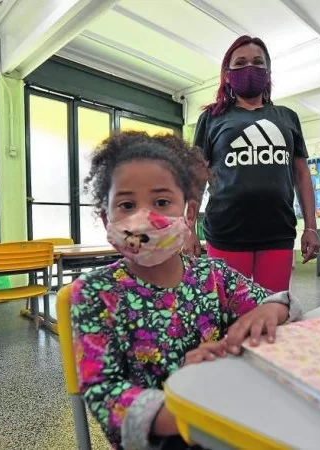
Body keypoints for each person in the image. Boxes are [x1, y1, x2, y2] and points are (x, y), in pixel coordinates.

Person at [71, 131, 302, 450]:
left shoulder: (214, 275)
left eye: (162, 202)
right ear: (105, 217)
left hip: (228, 412)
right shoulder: (94, 293)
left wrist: (271, 310)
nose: (144, 218)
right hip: (166, 432)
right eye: (126, 204)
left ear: (189, 214)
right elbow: (102, 392)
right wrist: (187, 411)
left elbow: (281, 305)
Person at [184, 35, 320, 292]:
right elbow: (197, 175)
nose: (250, 68)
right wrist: (188, 227)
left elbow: (302, 175)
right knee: (230, 315)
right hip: (227, 232)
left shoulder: (287, 117)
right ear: (227, 74)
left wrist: (310, 228)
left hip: (277, 232)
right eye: (240, 62)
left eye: (258, 62)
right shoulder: (212, 118)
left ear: (268, 72)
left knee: (273, 310)